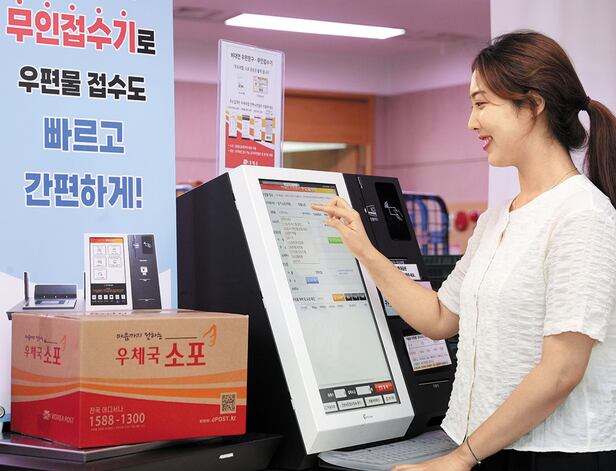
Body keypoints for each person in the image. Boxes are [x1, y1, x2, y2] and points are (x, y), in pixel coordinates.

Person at [312, 31, 616, 471]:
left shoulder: (582, 214)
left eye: (481, 104)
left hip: (556, 455)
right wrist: (366, 251)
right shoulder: (497, 218)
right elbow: (439, 318)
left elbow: (561, 372)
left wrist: (460, 458)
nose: (472, 123)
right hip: (489, 447)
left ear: (532, 105)